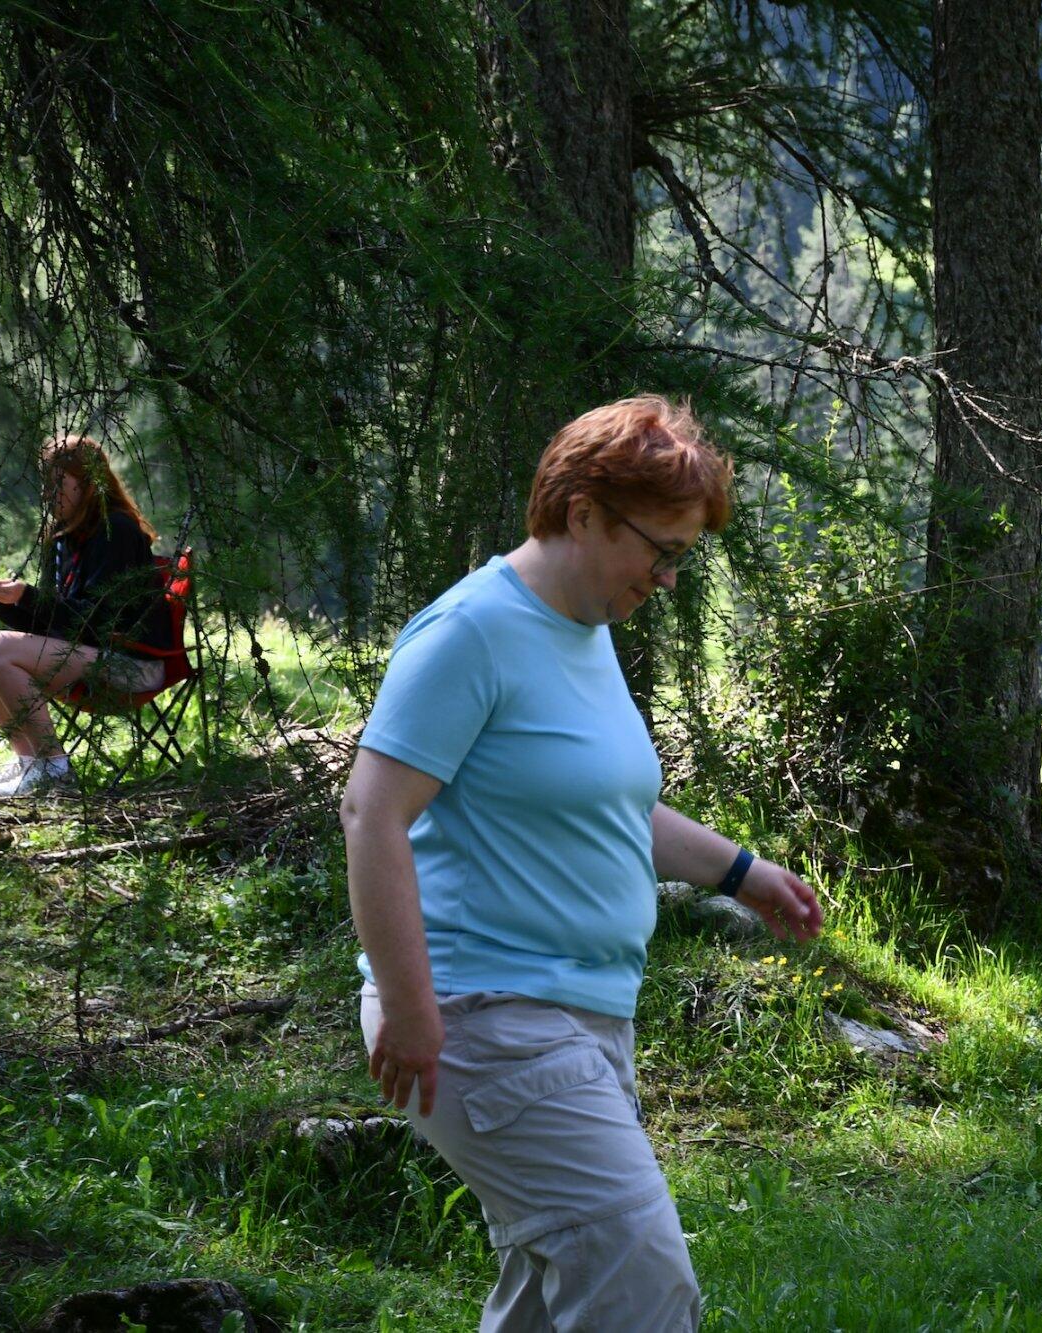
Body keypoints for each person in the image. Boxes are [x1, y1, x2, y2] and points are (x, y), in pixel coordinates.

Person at [343, 396, 823, 1332]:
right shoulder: (473, 631)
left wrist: (742, 872)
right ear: (584, 513)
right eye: (662, 549)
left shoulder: (585, 630)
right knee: (640, 1282)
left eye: (683, 556)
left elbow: (612, 806)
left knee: (549, 1294)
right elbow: (371, 811)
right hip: (487, 1015)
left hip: (582, 1017)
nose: (669, 577)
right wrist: (410, 1005)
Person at [0, 435, 170, 797]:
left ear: (87, 484)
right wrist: (0, 601)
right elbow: (54, 623)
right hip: (84, 651)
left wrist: (27, 595)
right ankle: (29, 762)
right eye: (46, 484)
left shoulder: (115, 531)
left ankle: (54, 769)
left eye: (58, 484)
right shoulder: (62, 537)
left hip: (132, 660)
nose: (48, 494)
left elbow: (95, 622)